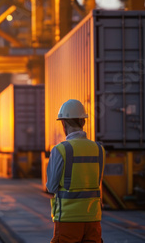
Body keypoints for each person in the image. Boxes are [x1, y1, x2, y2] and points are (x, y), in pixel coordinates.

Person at [46, 99, 105, 243]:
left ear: (63, 123)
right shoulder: (99, 149)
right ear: (83, 122)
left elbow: (52, 187)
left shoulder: (60, 150)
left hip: (68, 219)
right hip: (93, 219)